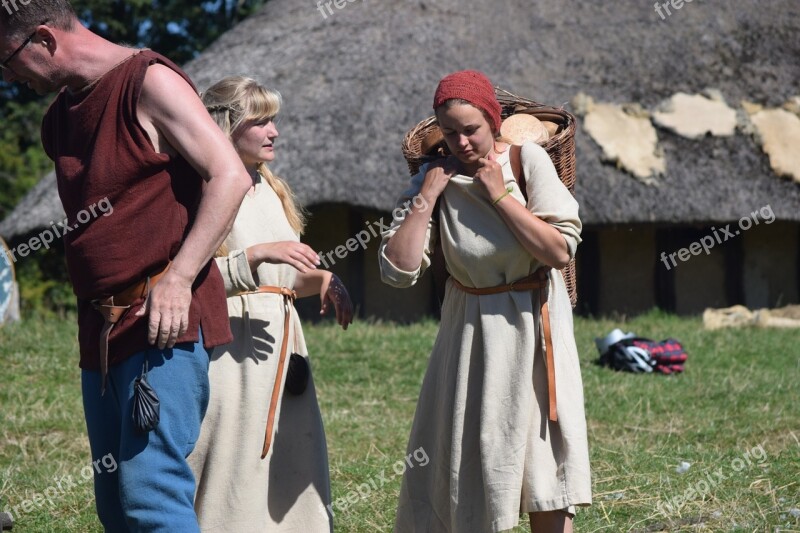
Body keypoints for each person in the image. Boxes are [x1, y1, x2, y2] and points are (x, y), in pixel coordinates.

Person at [0, 3, 252, 531]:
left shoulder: (149, 82)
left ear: (44, 38)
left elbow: (229, 176)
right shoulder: (60, 118)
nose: (9, 77)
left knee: (151, 495)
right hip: (102, 331)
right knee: (116, 503)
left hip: (162, 321)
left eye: (8, 60)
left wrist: (179, 278)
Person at [379, 70, 592, 532]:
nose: (461, 141)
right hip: (470, 328)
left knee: (542, 460)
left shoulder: (526, 160)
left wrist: (500, 194)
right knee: (468, 459)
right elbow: (397, 270)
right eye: (450, 132)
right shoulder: (430, 179)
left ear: (493, 121)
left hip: (534, 325)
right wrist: (426, 198)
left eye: (471, 129)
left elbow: (558, 250)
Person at [188, 76, 353, 532]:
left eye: (273, 119)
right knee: (235, 465)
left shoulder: (270, 187)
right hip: (231, 351)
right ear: (225, 126)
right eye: (259, 121)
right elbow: (182, 281)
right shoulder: (203, 189)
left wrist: (321, 280)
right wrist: (256, 256)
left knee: (288, 462)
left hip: (281, 343)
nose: (273, 131)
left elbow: (277, 282)